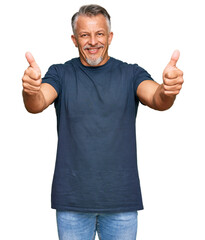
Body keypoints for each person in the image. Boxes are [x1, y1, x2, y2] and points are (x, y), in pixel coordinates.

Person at [22, 4, 184, 240]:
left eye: (99, 34)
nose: (93, 41)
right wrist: (30, 89)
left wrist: (168, 90)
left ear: (110, 37)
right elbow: (36, 103)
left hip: (121, 202)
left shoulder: (131, 73)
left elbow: (157, 98)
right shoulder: (60, 73)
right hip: (72, 202)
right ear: (74, 39)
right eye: (84, 35)